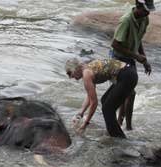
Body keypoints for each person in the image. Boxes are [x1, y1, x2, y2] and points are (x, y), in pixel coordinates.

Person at [65, 58, 150, 138]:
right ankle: (115, 132)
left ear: (76, 68)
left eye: (69, 73)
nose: (70, 77)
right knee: (105, 100)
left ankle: (119, 139)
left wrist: (84, 125)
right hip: (129, 73)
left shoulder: (86, 73)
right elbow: (90, 95)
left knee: (107, 109)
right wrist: (80, 113)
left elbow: (94, 102)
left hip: (127, 76)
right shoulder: (87, 68)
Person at [110, 0, 155, 130]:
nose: (148, 13)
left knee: (129, 93)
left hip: (130, 59)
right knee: (128, 92)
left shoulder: (144, 19)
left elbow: (138, 39)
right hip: (117, 58)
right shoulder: (126, 21)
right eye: (146, 10)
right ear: (138, 6)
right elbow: (115, 44)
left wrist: (144, 60)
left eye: (149, 11)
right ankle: (124, 125)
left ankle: (125, 124)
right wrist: (137, 56)